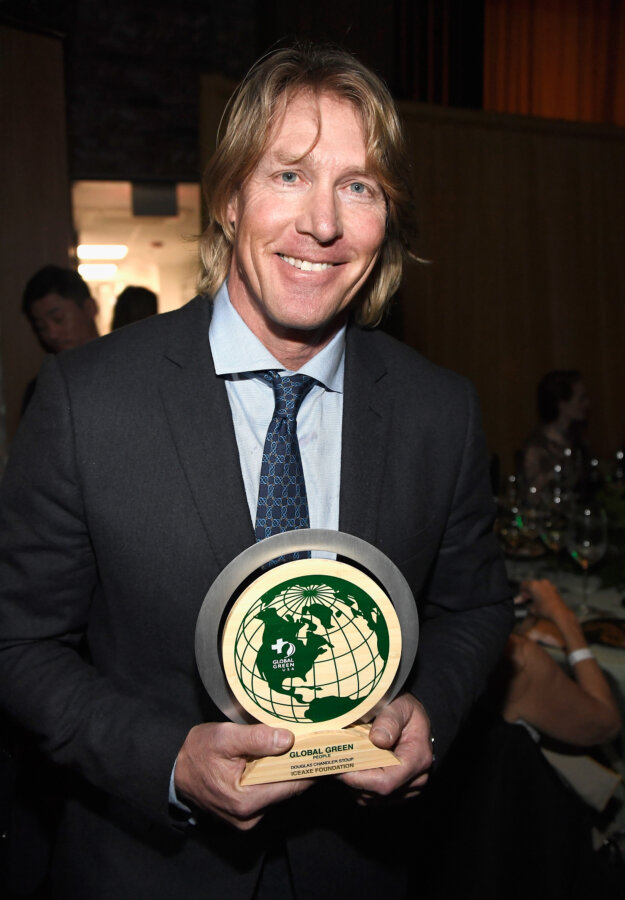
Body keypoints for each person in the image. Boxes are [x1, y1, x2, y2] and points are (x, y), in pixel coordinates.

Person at [0, 43, 513, 899]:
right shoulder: (88, 401)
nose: (323, 223)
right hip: (148, 870)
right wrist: (164, 758)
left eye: (359, 186)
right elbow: (17, 642)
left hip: (362, 868)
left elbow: (475, 606)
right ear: (231, 196)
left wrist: (432, 710)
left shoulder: (438, 411)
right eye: (287, 175)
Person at [20, 265, 99, 411]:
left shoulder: (126, 370)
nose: (52, 334)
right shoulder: (42, 390)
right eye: (41, 327)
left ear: (89, 308)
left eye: (58, 319)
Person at [518, 369, 590, 494]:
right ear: (562, 404)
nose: (587, 404)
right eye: (581, 398)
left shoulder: (576, 442)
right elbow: (531, 495)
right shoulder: (537, 447)